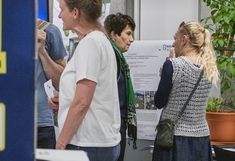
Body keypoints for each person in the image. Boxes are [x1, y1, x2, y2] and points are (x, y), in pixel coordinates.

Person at [54, 1, 121, 161]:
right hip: (98, 143)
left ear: (75, 13)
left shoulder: (90, 43)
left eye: (62, 10)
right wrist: (65, 101)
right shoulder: (100, 41)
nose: (59, 15)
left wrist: (61, 143)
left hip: (87, 145)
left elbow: (82, 102)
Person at [152, 21, 219, 161]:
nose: (173, 43)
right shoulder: (208, 67)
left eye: (175, 38)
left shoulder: (172, 65)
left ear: (184, 39)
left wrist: (164, 72)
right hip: (201, 138)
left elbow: (159, 102)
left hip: (173, 140)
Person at [104, 13, 137, 161]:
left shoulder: (119, 57)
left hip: (117, 124)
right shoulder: (111, 57)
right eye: (128, 34)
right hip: (112, 126)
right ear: (113, 34)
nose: (131, 39)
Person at [36, 18, 67, 149]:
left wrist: (42, 52)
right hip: (4, 121)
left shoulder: (49, 31)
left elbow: (61, 82)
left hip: (40, 126)